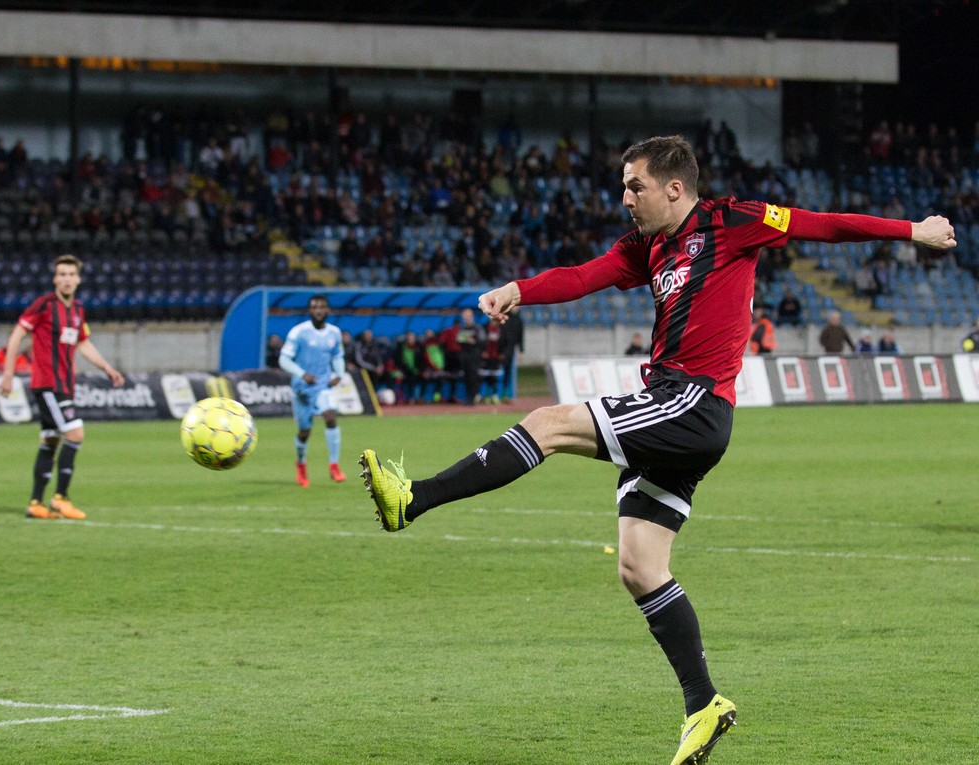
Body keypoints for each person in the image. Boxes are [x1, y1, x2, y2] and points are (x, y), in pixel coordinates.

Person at [357, 135, 956, 765]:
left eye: (634, 186)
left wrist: (911, 230)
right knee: (640, 565)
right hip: (681, 413)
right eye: (623, 186)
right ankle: (704, 705)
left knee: (548, 422)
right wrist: (519, 289)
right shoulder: (647, 248)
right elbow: (584, 276)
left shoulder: (733, 221)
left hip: (693, 402)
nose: (625, 198)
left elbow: (823, 225)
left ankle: (413, 499)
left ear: (674, 188)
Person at [0, 254, 124, 519]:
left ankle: (35, 503)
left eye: (71, 274)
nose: (66, 279)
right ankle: (61, 498)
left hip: (65, 385)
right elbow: (17, 335)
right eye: (62, 274)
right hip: (47, 384)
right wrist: (8, 374)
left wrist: (107, 368)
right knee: (75, 434)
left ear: (78, 279)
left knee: (50, 440)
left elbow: (83, 343)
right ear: (55, 279)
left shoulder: (77, 310)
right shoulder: (43, 305)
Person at [278, 294, 347, 487]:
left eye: (322, 307)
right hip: (302, 388)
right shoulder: (299, 332)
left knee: (330, 417)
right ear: (310, 310)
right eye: (314, 307)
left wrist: (339, 373)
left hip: (323, 385)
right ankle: (301, 464)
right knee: (304, 431)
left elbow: (338, 356)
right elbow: (283, 360)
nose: (318, 310)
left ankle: (334, 465)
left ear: (327, 310)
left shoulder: (334, 333)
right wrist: (302, 374)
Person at [454, 308, 487, 405]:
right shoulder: (463, 329)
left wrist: (474, 342)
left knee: (474, 377)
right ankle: (469, 398)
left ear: (472, 317)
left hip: (475, 356)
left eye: (467, 317)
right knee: (467, 377)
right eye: (464, 317)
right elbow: (458, 340)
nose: (466, 319)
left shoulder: (478, 328)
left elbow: (483, 341)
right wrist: (464, 340)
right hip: (465, 356)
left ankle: (474, 397)